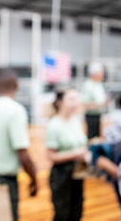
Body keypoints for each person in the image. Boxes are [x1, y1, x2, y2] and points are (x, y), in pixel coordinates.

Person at [0, 68, 38, 221]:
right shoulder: (16, 110)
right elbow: (22, 152)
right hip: (5, 183)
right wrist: (34, 179)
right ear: (17, 85)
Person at [45, 88, 88, 221]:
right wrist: (74, 154)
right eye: (71, 99)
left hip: (78, 172)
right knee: (62, 214)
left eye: (77, 99)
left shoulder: (76, 121)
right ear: (60, 102)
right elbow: (50, 156)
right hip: (61, 175)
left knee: (77, 211)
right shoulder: (54, 125)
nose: (75, 103)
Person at [81, 62, 108, 139]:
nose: (103, 74)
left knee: (97, 137)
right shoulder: (88, 85)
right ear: (94, 73)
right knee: (92, 138)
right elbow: (84, 104)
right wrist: (100, 104)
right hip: (91, 116)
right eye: (101, 72)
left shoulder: (99, 84)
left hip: (98, 115)